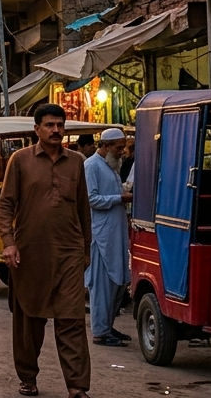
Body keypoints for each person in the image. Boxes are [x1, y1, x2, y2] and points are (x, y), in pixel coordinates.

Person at [0, 104, 92, 398]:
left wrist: (85, 250)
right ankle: (28, 377)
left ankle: (77, 386)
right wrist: (9, 242)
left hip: (69, 254)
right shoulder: (20, 160)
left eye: (60, 125)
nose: (56, 130)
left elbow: (83, 209)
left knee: (72, 319)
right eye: (50, 125)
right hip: (30, 254)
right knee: (29, 319)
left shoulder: (76, 161)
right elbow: (5, 204)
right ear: (36, 129)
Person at [86, 128, 133, 347]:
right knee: (103, 285)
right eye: (118, 147)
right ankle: (100, 331)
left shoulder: (112, 166)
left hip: (116, 232)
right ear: (105, 146)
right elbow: (92, 199)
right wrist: (119, 197)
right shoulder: (91, 166)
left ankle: (108, 326)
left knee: (119, 281)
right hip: (102, 234)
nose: (122, 151)